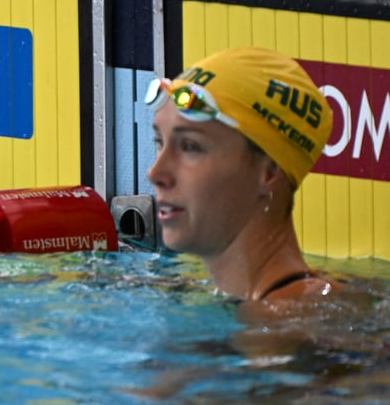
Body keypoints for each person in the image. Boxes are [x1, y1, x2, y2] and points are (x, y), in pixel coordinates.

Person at [144, 46, 339, 302]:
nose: (155, 173)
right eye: (159, 141)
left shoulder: (279, 324)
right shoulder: (276, 305)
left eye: (191, 147)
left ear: (268, 172)